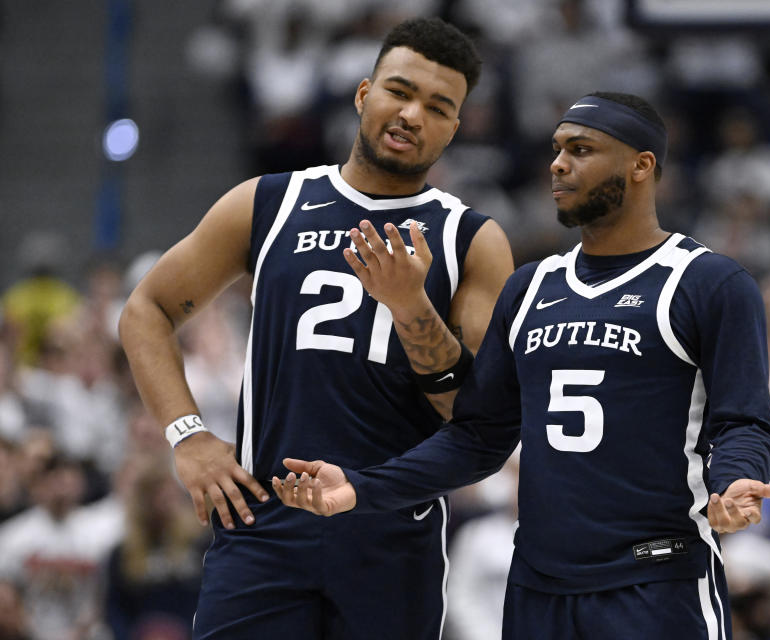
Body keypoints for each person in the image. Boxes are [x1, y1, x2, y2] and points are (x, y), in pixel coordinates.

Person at [276, 92, 770, 639]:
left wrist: (736, 480)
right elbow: (478, 437)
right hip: (538, 591)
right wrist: (359, 488)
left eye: (582, 149)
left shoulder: (710, 284)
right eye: (557, 148)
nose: (558, 164)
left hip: (655, 583)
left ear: (642, 166)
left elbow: (743, 420)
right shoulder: (529, 287)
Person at [118, 17, 513, 639]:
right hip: (263, 527)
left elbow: (474, 417)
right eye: (399, 91)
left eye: (438, 107)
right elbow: (146, 311)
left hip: (391, 535)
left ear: (455, 129)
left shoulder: (472, 239)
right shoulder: (269, 202)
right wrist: (189, 437)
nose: (412, 114)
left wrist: (411, 308)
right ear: (363, 93)